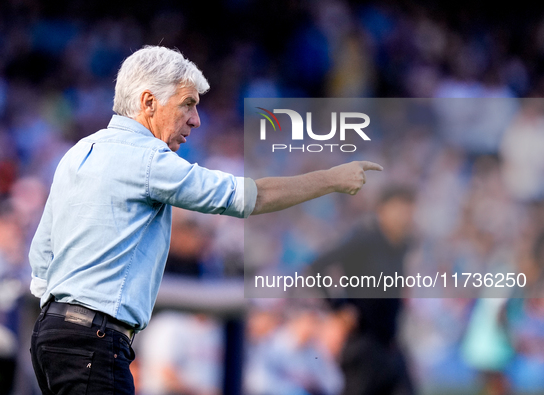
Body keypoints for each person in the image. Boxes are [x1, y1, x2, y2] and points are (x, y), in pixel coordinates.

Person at [28, 45, 382, 395]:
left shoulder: (78, 152)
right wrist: (331, 179)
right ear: (149, 102)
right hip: (94, 340)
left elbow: (41, 257)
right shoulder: (147, 158)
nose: (196, 120)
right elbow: (249, 198)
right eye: (187, 104)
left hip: (51, 335)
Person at [309, 185, 417, 395]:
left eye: (409, 210)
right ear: (382, 210)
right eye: (399, 210)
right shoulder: (365, 240)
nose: (405, 217)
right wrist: (338, 306)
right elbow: (318, 266)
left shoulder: (400, 246)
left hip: (390, 343)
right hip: (364, 344)